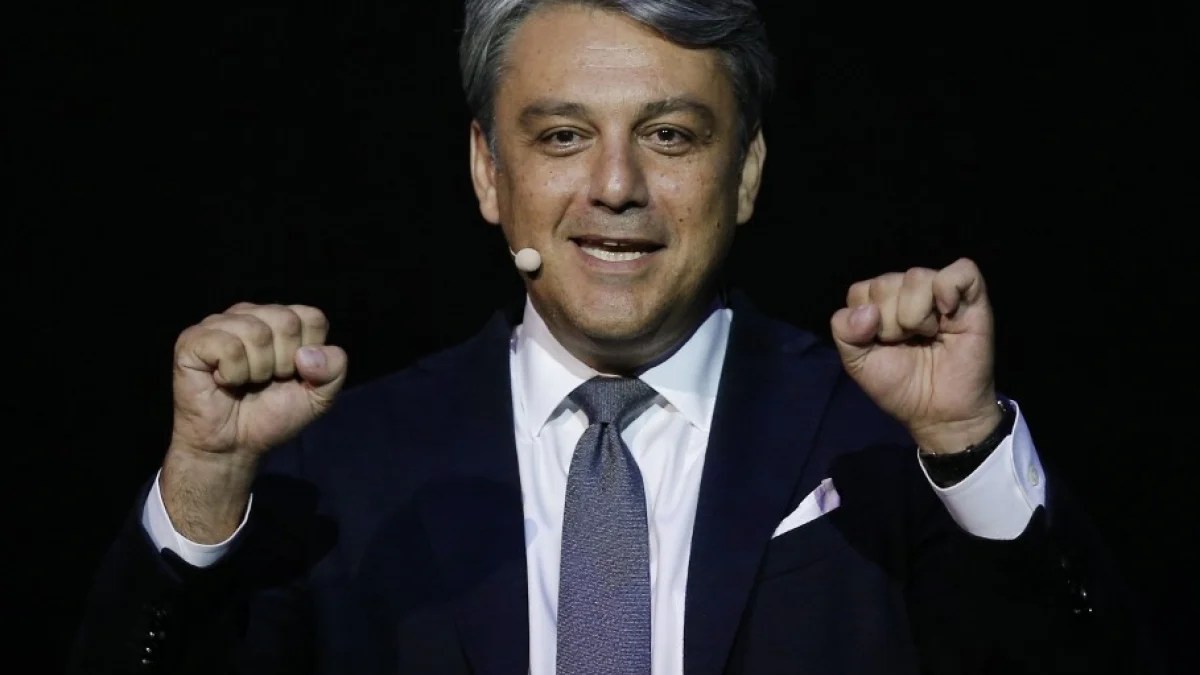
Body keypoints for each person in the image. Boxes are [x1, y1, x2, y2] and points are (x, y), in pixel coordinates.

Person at [69, 1, 1157, 673]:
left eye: (670, 135)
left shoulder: (883, 439)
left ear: (747, 173)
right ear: (488, 171)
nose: (616, 186)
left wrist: (967, 445)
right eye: (562, 136)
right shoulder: (341, 464)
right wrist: (201, 489)